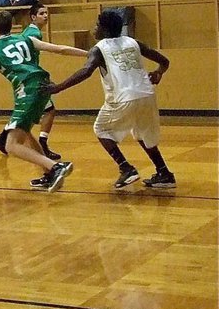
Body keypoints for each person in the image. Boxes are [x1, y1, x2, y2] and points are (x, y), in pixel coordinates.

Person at [43, 10, 176, 189]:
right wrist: (159, 72)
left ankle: (126, 168)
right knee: (143, 134)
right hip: (146, 94)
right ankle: (164, 173)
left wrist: (58, 88)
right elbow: (164, 61)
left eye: (97, 25)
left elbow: (86, 71)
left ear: (104, 29)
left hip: (123, 97)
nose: (94, 28)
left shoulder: (99, 48)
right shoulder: (133, 42)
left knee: (101, 129)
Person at [0, 10, 85, 192]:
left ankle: (55, 167)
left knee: (11, 145)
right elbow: (60, 49)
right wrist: (90, 53)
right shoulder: (25, 39)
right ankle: (48, 174)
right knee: (26, 134)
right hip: (44, 85)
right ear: (11, 26)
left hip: (27, 90)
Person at [0, 4, 63, 160]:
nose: (45, 16)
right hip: (31, 82)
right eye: (42, 13)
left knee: (27, 121)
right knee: (47, 112)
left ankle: (4, 137)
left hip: (29, 80)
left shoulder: (28, 33)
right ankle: (43, 148)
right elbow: (54, 50)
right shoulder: (33, 32)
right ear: (33, 17)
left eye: (46, 13)